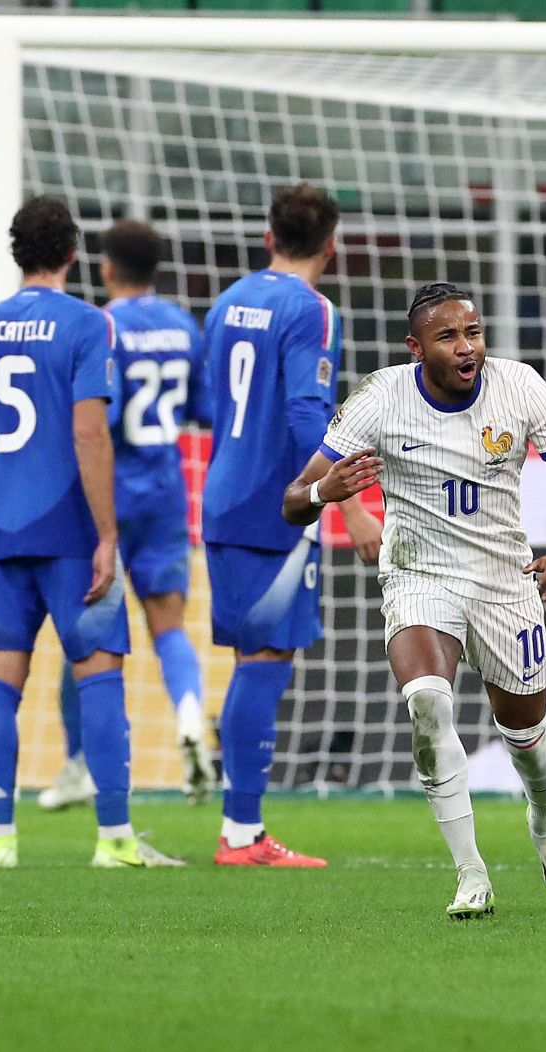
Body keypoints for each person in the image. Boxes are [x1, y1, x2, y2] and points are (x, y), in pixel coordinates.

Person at [286, 283, 546, 917]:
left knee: (526, 736)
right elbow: (295, 498)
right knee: (427, 702)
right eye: (448, 337)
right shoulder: (380, 399)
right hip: (418, 576)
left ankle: (543, 818)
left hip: (504, 582)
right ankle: (471, 873)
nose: (467, 348)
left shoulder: (521, 387)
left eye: (474, 333)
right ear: (416, 347)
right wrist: (328, 494)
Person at [0, 197, 175, 868]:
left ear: (16, 253)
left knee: (0, 680)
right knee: (100, 677)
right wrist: (107, 535)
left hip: (0, 534)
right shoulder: (87, 325)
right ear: (74, 256)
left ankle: (0, 842)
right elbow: (88, 433)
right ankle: (113, 839)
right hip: (72, 537)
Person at [200, 183, 381, 867]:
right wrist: (353, 506)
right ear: (330, 245)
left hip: (221, 495)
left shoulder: (226, 301)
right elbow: (309, 412)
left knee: (255, 661)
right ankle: (242, 833)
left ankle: (240, 826)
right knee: (266, 661)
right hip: (274, 504)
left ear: (269, 236)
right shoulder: (311, 309)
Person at [39, 220, 212, 812]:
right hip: (165, 491)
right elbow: (200, 409)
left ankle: (80, 762)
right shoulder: (183, 326)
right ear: (157, 269)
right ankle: (190, 716)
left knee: (85, 633)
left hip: (106, 496)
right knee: (169, 625)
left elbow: (89, 423)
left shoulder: (99, 325)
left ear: (107, 267)